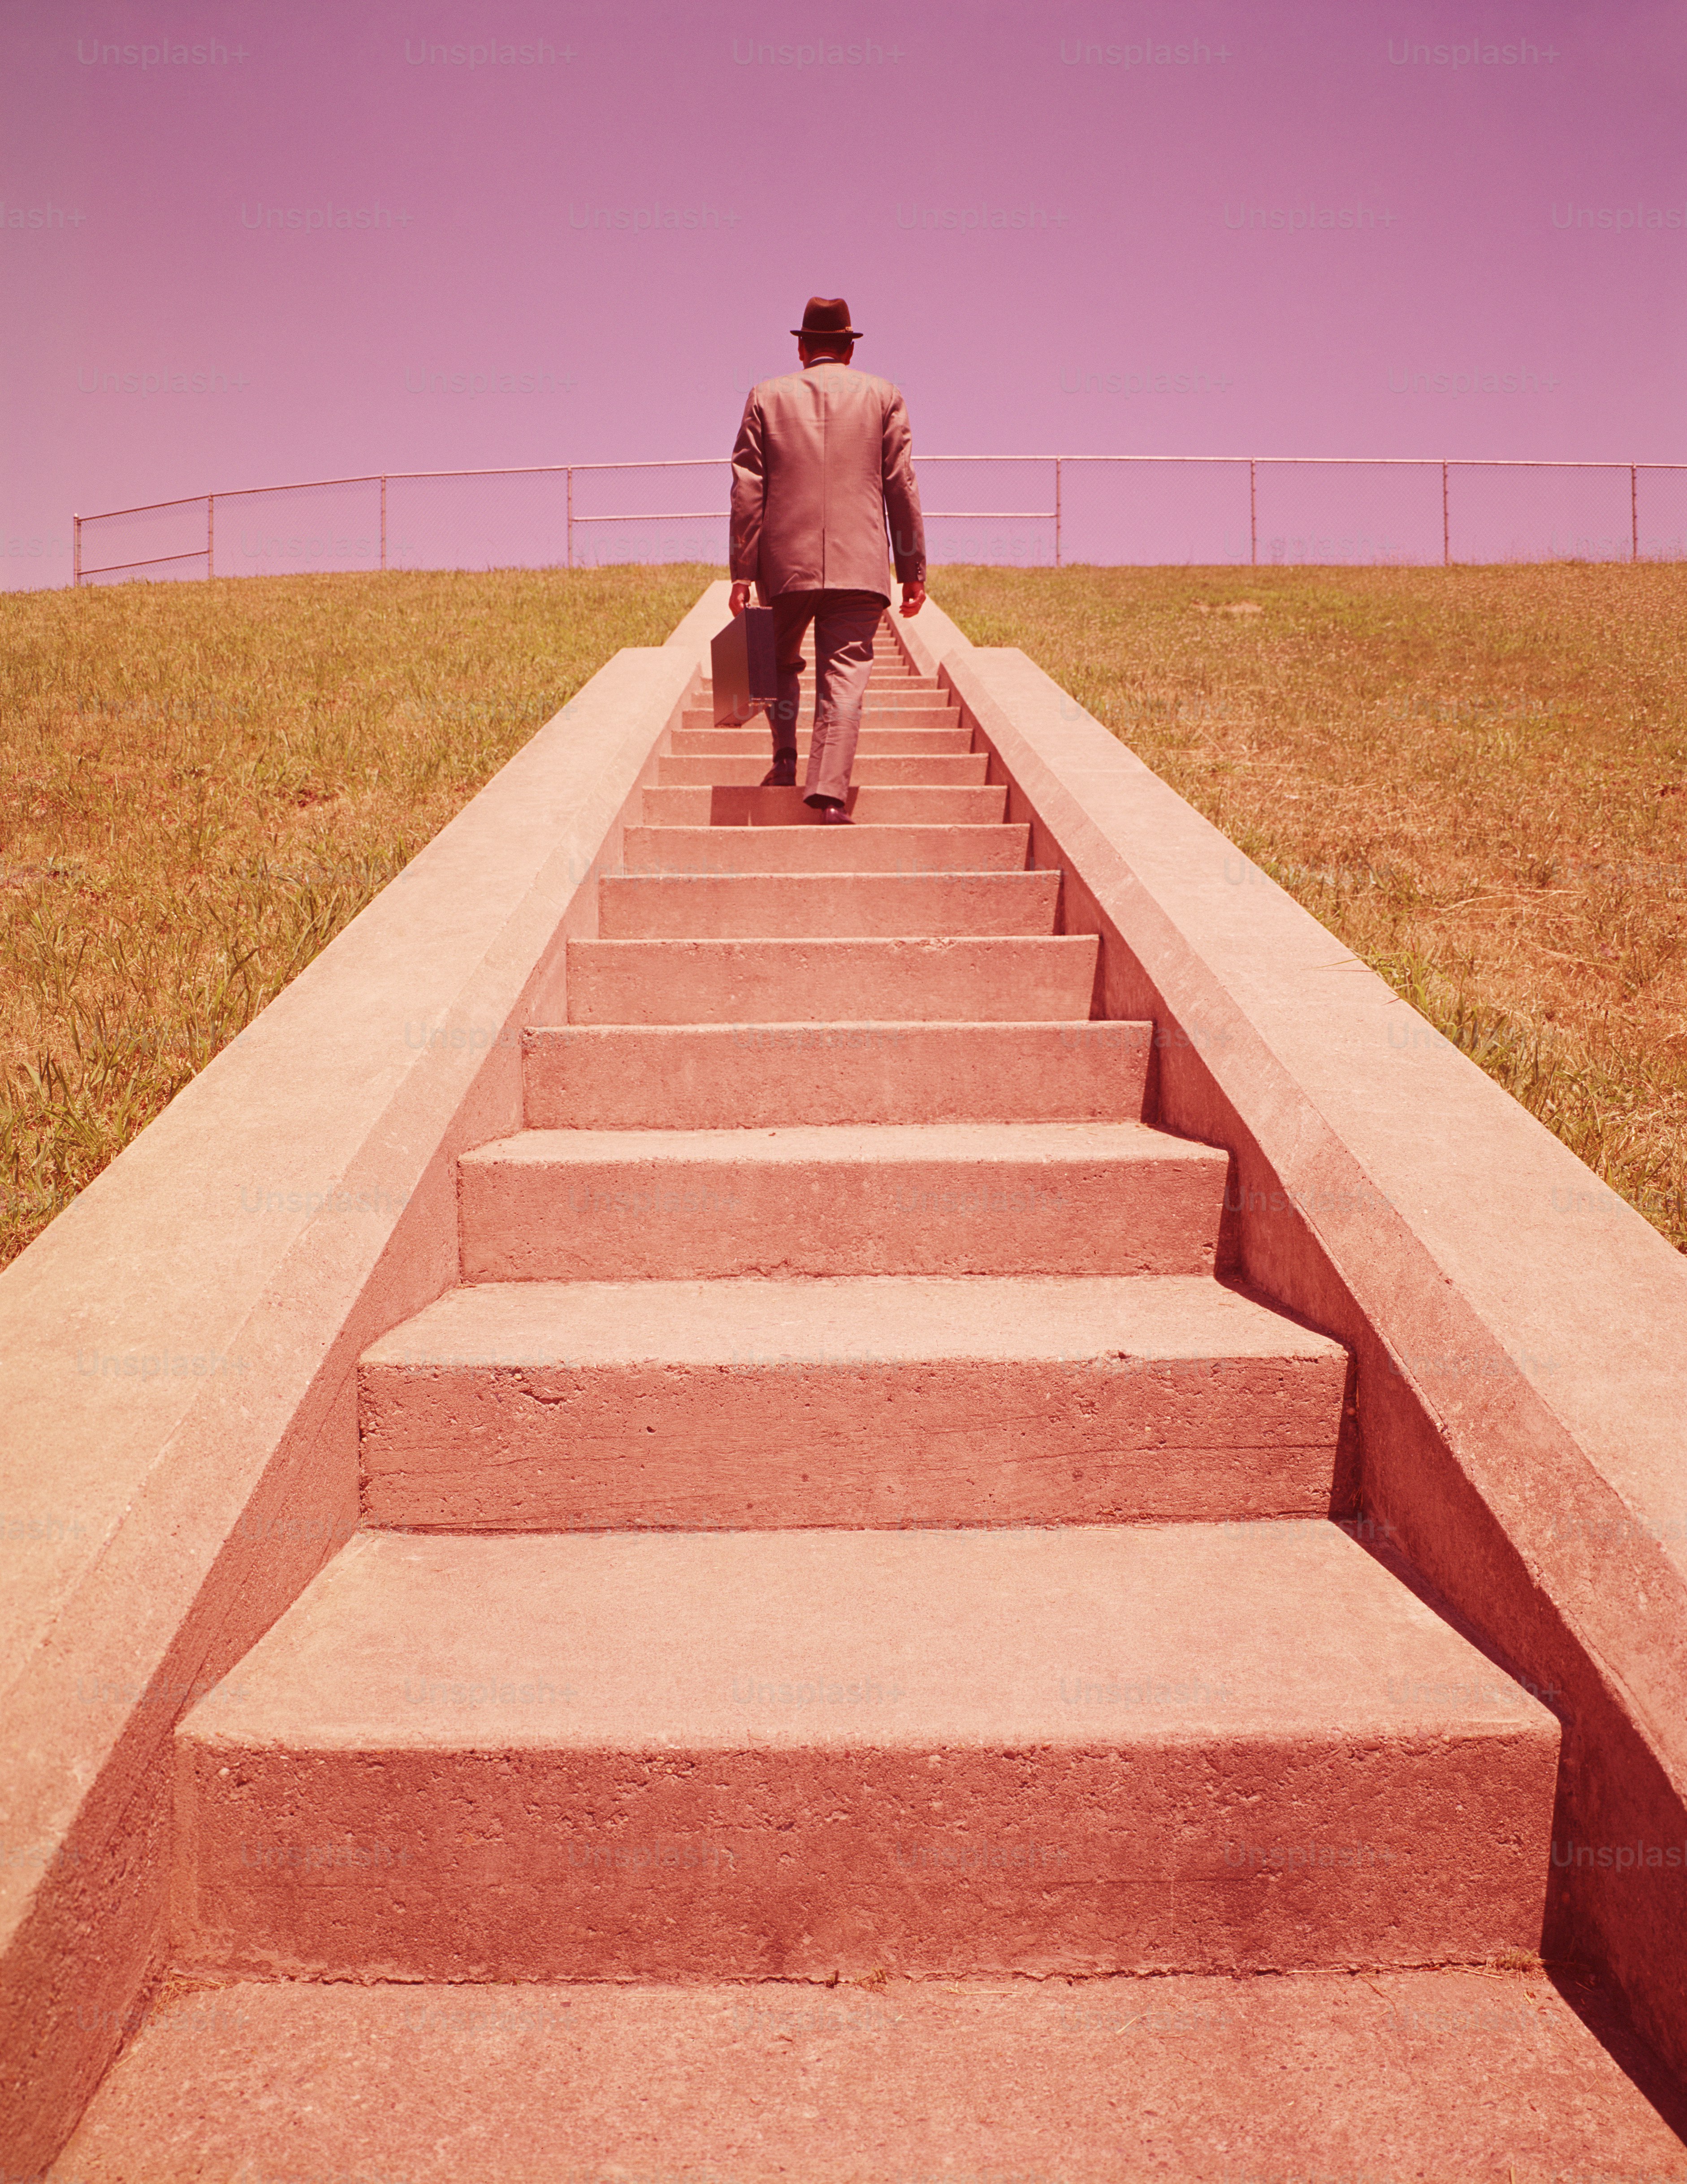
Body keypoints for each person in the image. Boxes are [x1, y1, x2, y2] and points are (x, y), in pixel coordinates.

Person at [728, 297, 927, 824]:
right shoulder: (884, 394)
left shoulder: (765, 396)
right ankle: (830, 794)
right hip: (860, 565)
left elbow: (747, 489)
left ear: (801, 348)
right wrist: (911, 571)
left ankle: (785, 757)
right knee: (844, 676)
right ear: (848, 347)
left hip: (781, 563)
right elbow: (900, 486)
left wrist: (741, 574)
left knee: (764, 658)